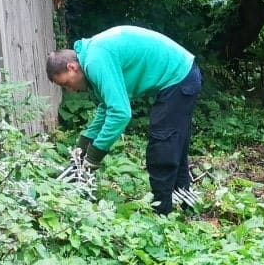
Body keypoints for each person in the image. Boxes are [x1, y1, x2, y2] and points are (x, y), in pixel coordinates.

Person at [46, 26, 202, 215]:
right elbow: (106, 107)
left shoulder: (95, 61)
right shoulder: (92, 54)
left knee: (163, 146)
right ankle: (185, 205)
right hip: (183, 73)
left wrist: (94, 156)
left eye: (66, 83)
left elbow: (120, 113)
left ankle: (162, 214)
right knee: (175, 145)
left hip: (178, 77)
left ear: (72, 67)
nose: (70, 90)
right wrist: (85, 142)